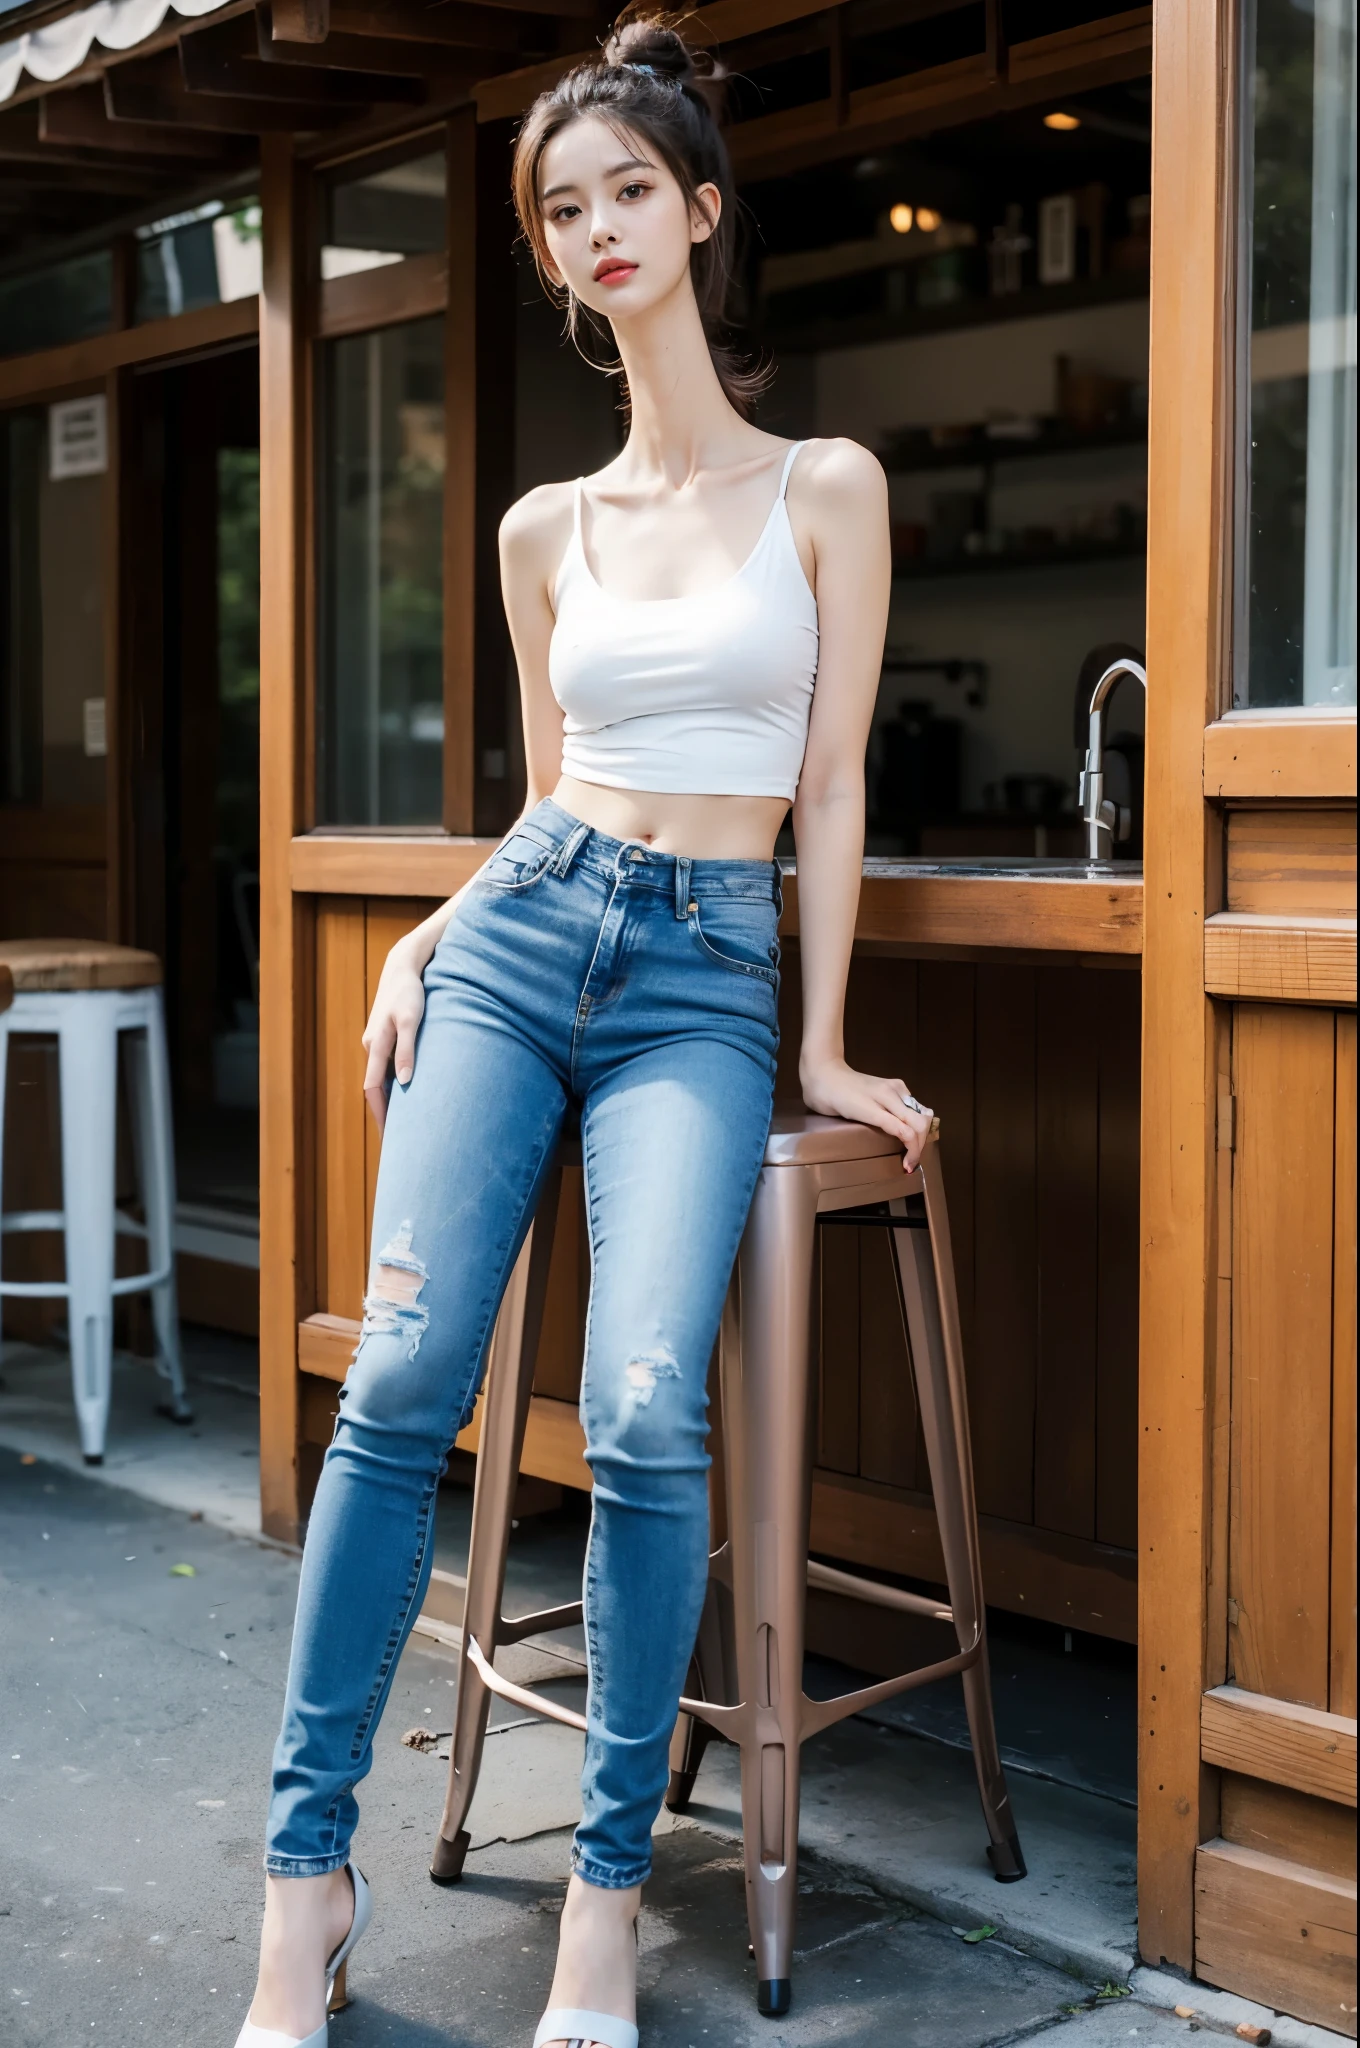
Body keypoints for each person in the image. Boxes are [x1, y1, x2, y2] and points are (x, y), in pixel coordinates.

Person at [235, 11, 934, 2047]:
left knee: (638, 1411)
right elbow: (549, 799)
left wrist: (817, 1043)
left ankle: (605, 1907)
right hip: (530, 939)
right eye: (563, 205)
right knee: (400, 1380)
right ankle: (304, 1886)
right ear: (547, 254)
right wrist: (424, 936)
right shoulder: (542, 529)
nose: (598, 223)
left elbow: (824, 790)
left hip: (708, 975)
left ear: (700, 212)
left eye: (630, 186)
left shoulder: (826, 485)